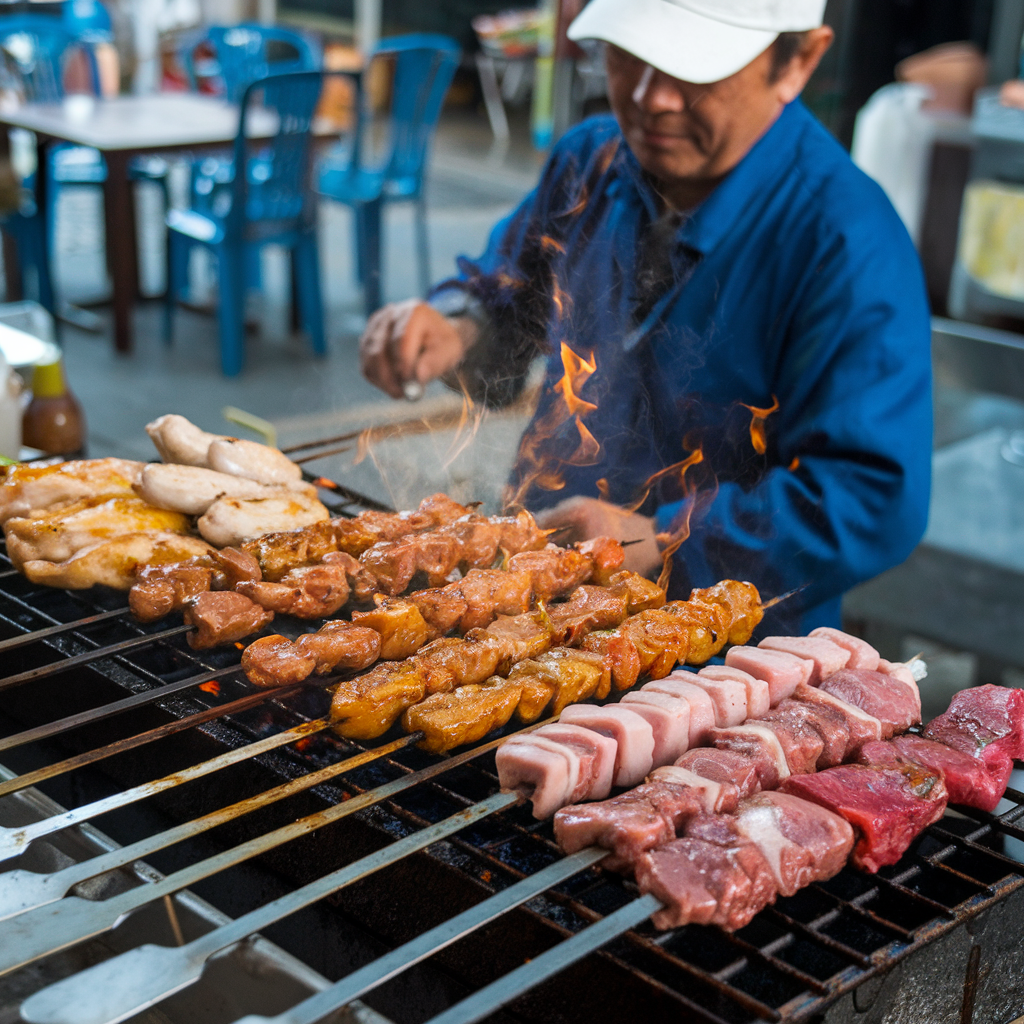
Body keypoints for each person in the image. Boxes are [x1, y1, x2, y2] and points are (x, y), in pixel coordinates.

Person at [359, 0, 932, 636]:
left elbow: (870, 501)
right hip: (534, 596)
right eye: (628, 56)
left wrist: (664, 538)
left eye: (693, 70)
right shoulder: (590, 159)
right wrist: (454, 330)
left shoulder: (845, 238)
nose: (650, 97)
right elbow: (508, 305)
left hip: (717, 656)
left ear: (797, 61)